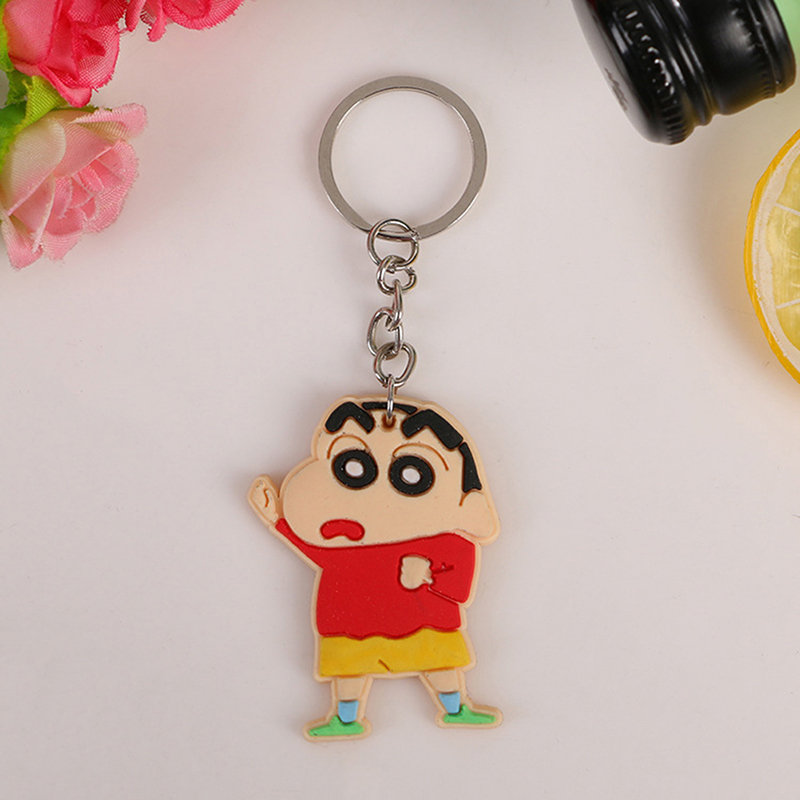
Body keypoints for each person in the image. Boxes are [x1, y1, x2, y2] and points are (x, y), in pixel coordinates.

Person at [248, 395, 502, 740]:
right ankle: (345, 719)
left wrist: (428, 574)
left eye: (412, 475)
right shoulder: (342, 544)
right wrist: (277, 519)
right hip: (351, 621)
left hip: (422, 621)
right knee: (349, 670)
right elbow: (314, 551)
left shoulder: (446, 540)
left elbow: (459, 578)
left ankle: (456, 708)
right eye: (351, 467)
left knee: (439, 662)